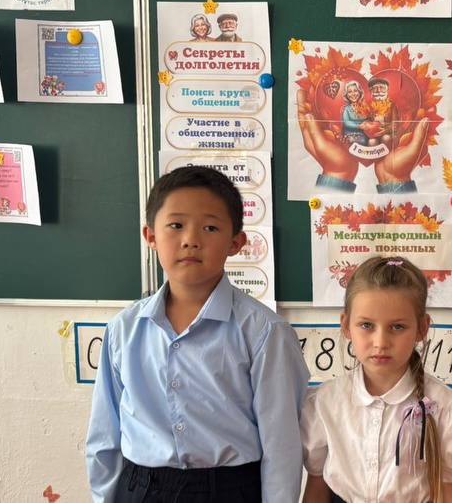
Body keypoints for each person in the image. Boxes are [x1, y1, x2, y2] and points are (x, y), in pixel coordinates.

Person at [86, 166, 309, 503]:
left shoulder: (264, 332)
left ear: (235, 243)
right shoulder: (124, 329)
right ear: (150, 236)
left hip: (230, 490)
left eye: (210, 227)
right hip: (140, 488)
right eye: (176, 225)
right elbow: (105, 433)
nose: (191, 239)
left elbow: (282, 446)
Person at [301, 257, 452, 502]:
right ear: (346, 325)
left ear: (422, 328)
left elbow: (451, 496)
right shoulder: (325, 403)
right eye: (366, 325)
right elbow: (317, 487)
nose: (381, 342)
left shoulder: (448, 411)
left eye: (397, 327)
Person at [365, 77, 398, 148]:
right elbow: (366, 120)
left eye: (382, 88)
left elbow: (395, 124)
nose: (379, 91)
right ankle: (375, 155)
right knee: (372, 142)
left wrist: (385, 130)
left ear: (387, 90)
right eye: (375, 88)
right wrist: (369, 128)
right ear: (371, 91)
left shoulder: (392, 105)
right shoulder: (369, 106)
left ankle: (387, 155)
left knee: (386, 138)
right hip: (374, 134)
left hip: (388, 133)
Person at [341, 82, 371, 146]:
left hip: (364, 132)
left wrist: (367, 123)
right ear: (346, 95)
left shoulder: (365, 107)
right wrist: (359, 126)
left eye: (355, 91)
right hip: (350, 132)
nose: (353, 94)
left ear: (360, 92)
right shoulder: (347, 109)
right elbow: (347, 123)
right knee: (361, 141)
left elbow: (369, 118)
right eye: (350, 92)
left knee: (370, 140)